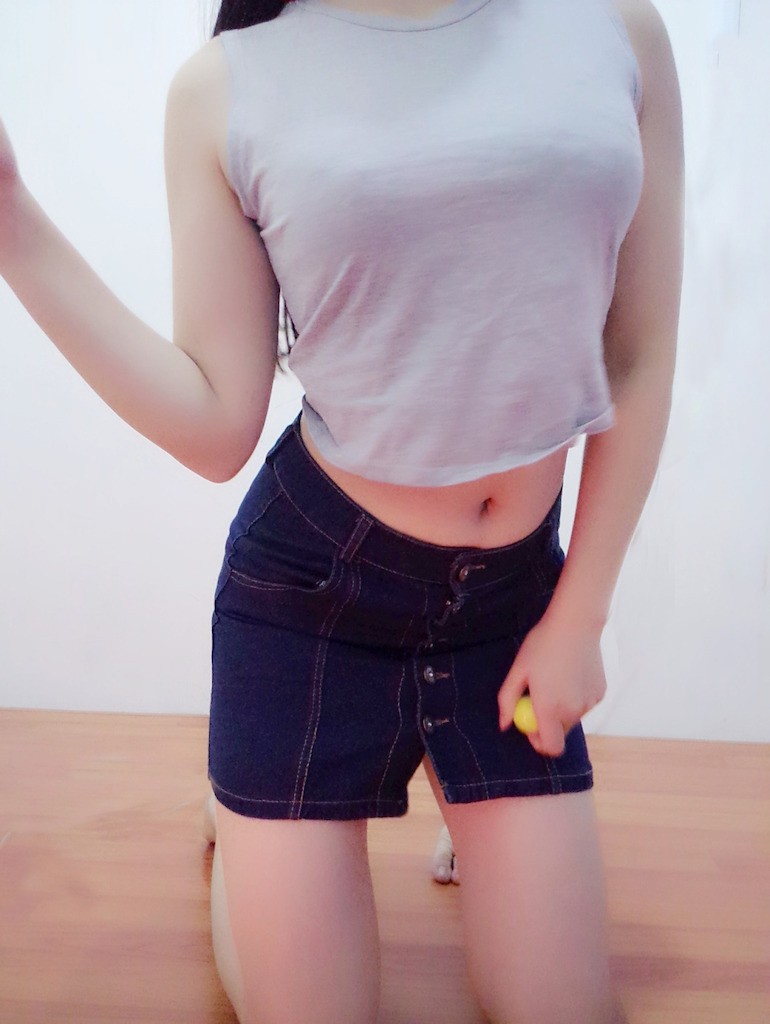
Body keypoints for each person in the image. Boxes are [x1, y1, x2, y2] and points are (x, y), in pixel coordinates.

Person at [0, 0, 684, 1020]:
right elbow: (216, 424)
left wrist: (579, 616)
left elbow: (634, 354)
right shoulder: (226, 86)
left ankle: (384, 801)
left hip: (510, 614)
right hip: (312, 599)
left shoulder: (615, 29)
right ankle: (245, 819)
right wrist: (11, 222)